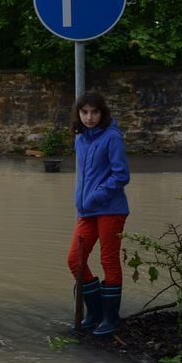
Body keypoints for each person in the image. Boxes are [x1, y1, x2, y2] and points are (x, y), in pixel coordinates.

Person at [67, 92, 130, 337]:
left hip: (110, 209)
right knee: (74, 259)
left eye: (95, 112)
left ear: (102, 113)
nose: (89, 117)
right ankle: (94, 313)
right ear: (78, 114)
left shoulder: (112, 137)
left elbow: (121, 176)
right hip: (87, 211)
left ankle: (111, 318)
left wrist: (95, 196)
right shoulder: (80, 138)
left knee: (108, 260)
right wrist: (83, 200)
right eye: (84, 112)